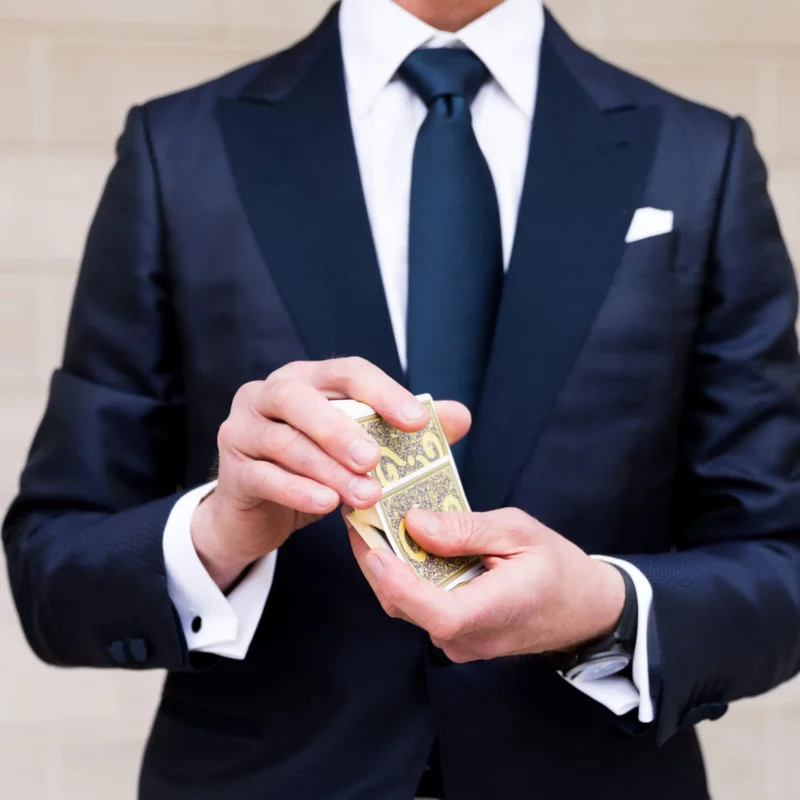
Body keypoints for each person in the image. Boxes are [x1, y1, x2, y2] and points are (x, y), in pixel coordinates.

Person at [4, 0, 800, 797]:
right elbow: (54, 569)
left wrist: (604, 608)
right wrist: (216, 534)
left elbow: (781, 560)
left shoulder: (703, 158)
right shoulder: (178, 149)